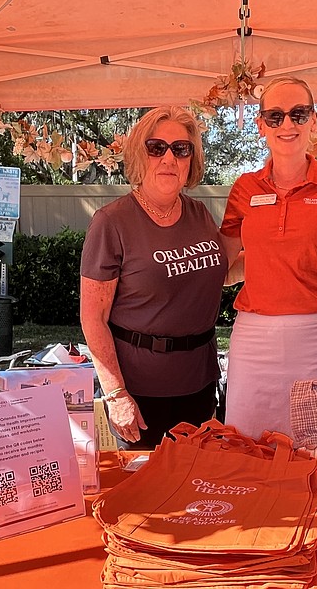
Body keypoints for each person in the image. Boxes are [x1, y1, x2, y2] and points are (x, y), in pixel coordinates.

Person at [220, 77, 317, 441]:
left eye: (298, 114)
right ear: (261, 125)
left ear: (313, 120)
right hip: (254, 340)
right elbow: (220, 270)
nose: (286, 124)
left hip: (316, 338)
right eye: (275, 116)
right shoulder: (245, 187)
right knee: (247, 447)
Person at [80, 106, 228, 449]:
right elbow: (93, 317)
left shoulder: (199, 214)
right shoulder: (111, 222)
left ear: (191, 159)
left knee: (197, 479)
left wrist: (278, 252)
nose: (169, 158)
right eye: (156, 147)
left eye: (181, 149)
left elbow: (218, 272)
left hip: (200, 384)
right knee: (144, 482)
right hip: (140, 394)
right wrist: (116, 394)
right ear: (138, 154)